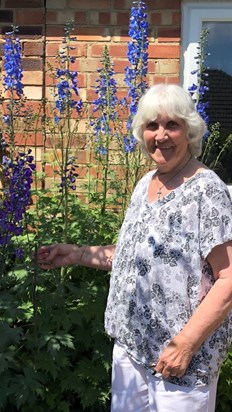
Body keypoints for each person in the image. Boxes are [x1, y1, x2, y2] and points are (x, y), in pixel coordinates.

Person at [37, 84, 232, 412]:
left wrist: (184, 345)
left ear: (190, 131)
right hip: (131, 349)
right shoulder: (146, 184)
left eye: (172, 125)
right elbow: (136, 255)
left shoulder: (207, 191)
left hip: (179, 363)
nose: (161, 135)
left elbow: (228, 278)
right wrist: (78, 253)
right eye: (152, 126)